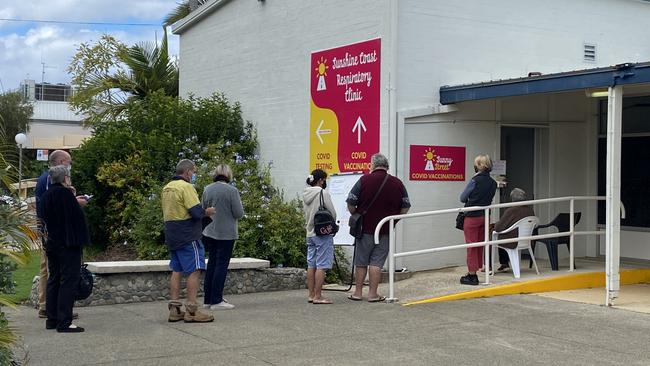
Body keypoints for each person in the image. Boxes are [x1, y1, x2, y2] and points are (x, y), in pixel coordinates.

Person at [346, 153, 410, 302]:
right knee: (377, 262)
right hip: (385, 230)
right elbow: (405, 207)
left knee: (361, 262)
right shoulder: (397, 183)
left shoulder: (364, 180)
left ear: (372, 165)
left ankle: (357, 293)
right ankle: (373, 294)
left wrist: (356, 214)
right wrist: (393, 221)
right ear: (386, 166)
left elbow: (351, 202)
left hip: (365, 229)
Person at [34, 150, 87, 319]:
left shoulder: (46, 180)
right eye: (68, 163)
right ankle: (56, 311)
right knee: (57, 275)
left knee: (52, 273)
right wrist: (74, 201)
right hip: (58, 238)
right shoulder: (51, 182)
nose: (70, 167)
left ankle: (51, 311)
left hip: (51, 235)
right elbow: (58, 209)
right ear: (61, 162)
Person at [162, 159, 216, 323]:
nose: (194, 175)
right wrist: (208, 212)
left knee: (177, 269)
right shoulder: (186, 187)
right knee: (195, 269)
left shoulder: (167, 188)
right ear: (187, 172)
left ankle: (174, 309)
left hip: (172, 233)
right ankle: (192, 310)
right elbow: (196, 212)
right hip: (188, 234)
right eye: (193, 172)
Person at [201, 164, 244, 310]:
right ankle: (217, 300)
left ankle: (208, 299)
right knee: (221, 265)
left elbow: (203, 209)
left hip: (209, 231)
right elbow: (239, 213)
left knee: (212, 264)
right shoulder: (232, 191)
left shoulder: (207, 189)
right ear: (228, 175)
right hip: (226, 233)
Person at [459, 154, 497, 285]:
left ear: (479, 166)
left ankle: (472, 274)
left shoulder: (475, 180)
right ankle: (477, 268)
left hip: (472, 216)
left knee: (471, 245)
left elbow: (463, 198)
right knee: (480, 244)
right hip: (485, 216)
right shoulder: (493, 183)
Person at [302, 169, 337, 305]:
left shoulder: (306, 194)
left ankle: (311, 295)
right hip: (322, 233)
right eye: (324, 180)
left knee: (311, 264)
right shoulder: (323, 193)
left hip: (310, 232)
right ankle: (318, 296)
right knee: (322, 265)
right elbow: (332, 214)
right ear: (321, 180)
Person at [491, 188, 535, 272]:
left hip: (513, 241)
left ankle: (497, 265)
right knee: (502, 235)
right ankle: (504, 264)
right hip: (527, 240)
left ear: (512, 199)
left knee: (495, 235)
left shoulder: (511, 211)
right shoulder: (530, 210)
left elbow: (498, 228)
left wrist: (494, 225)